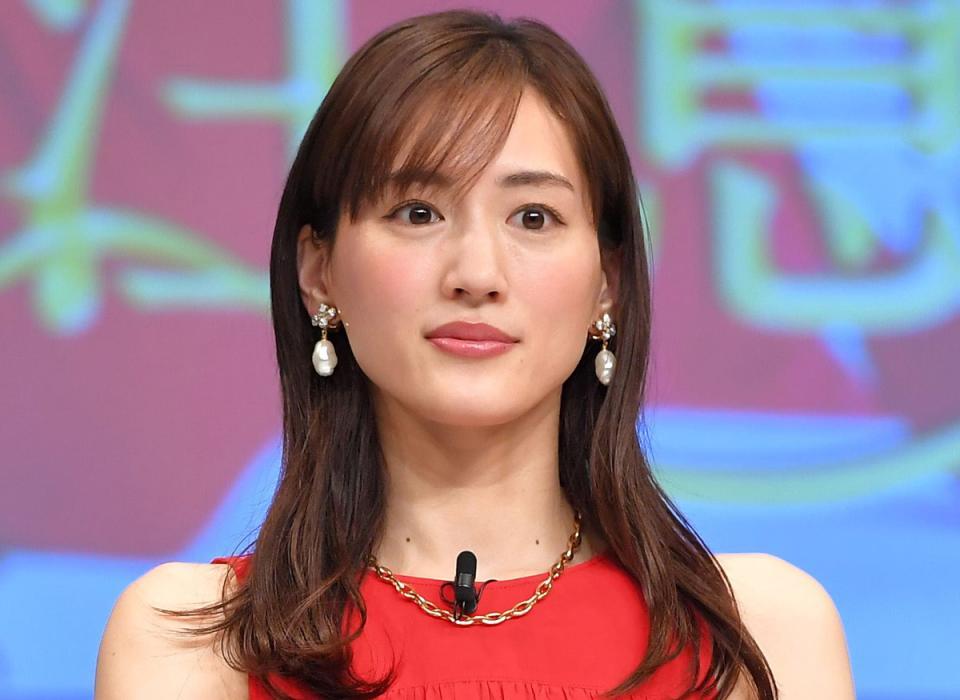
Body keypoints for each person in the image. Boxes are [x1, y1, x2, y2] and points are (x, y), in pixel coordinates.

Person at [94, 9, 856, 699]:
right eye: (418, 212)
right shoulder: (195, 645)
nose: (477, 274)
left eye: (534, 217)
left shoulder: (754, 637)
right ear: (318, 272)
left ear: (608, 282)